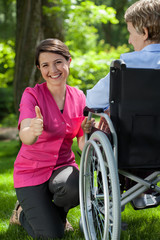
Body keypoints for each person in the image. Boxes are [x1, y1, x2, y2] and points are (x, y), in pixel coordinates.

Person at [9, 38, 93, 239]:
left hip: (63, 168)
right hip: (31, 172)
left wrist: (87, 134)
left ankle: (57, 216)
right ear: (39, 68)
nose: (53, 70)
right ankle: (22, 213)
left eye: (58, 62)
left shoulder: (79, 97)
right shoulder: (32, 95)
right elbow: (26, 136)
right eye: (45, 65)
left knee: (75, 186)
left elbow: (81, 141)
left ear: (68, 61)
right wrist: (33, 129)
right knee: (51, 236)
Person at [86, 0, 160, 209]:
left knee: (104, 129)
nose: (129, 40)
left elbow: (91, 101)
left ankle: (111, 192)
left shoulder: (123, 69)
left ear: (144, 33)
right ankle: (144, 188)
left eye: (130, 32)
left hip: (132, 148)